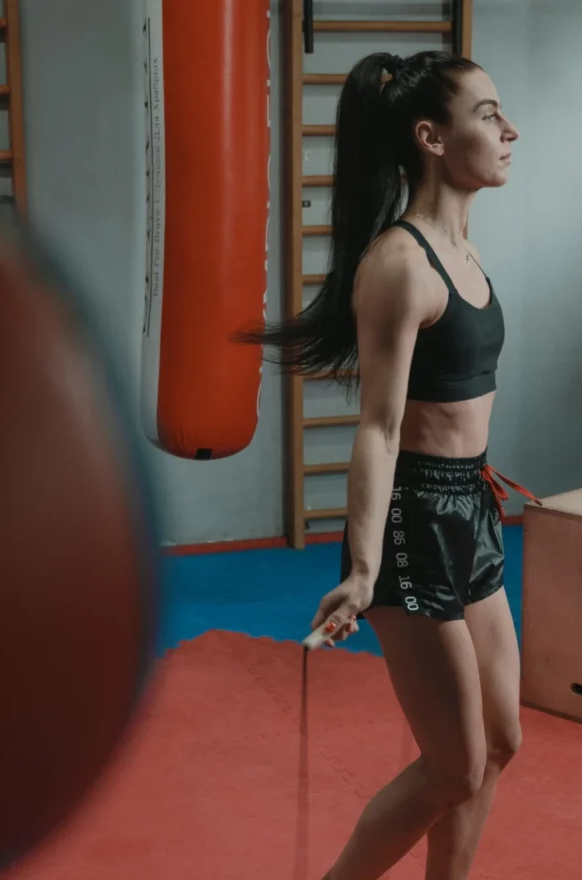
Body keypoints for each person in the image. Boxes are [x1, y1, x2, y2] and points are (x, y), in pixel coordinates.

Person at [241, 49, 528, 880]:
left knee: (500, 740)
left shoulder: (464, 252)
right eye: (487, 115)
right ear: (431, 137)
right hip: (414, 523)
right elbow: (379, 426)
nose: (509, 131)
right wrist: (364, 567)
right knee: (453, 766)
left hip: (471, 508)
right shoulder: (401, 266)